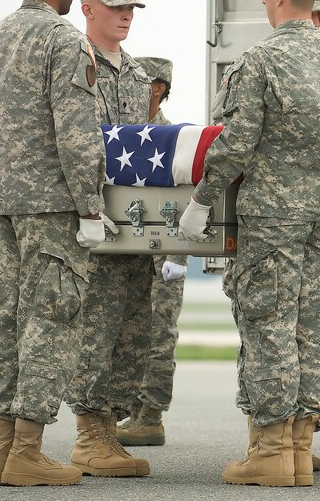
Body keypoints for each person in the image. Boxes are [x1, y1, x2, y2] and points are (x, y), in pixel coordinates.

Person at [179, 0, 320, 488]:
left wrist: (202, 200)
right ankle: (301, 449)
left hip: (275, 221)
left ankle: (269, 450)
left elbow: (236, 142)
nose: (263, 2)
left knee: (269, 328)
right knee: (311, 328)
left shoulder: (262, 61)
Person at [0, 0, 106, 487]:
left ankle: (0, 451)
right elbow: (76, 135)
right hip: (51, 206)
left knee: (5, 323)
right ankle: (28, 450)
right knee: (50, 320)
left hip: (0, 204)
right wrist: (91, 207)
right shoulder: (62, 41)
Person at [66, 0, 155, 478]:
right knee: (95, 326)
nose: (125, 15)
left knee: (134, 328)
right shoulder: (74, 64)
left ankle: (112, 424)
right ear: (87, 8)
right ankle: (88, 432)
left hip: (134, 224)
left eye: (132, 8)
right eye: (115, 6)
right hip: (91, 218)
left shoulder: (140, 76)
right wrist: (84, 211)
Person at [115, 56, 188, 447]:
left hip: (164, 256)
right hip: (133, 252)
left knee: (158, 335)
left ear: (156, 89)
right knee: (131, 332)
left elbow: (182, 202)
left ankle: (150, 416)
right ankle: (129, 410)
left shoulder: (167, 139)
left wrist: (177, 257)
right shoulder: (129, 135)